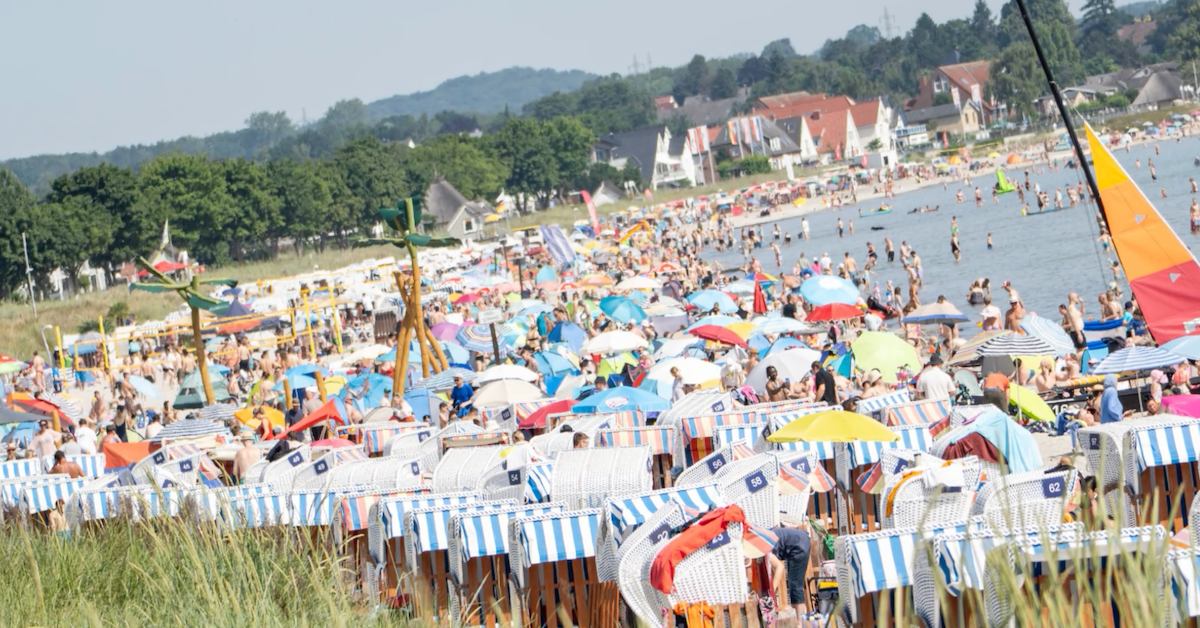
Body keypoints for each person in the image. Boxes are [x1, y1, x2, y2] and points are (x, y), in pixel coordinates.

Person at [770, 523, 812, 616]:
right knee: (793, 584)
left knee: (795, 585)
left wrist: (771, 590)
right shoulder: (761, 538)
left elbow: (779, 567)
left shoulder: (762, 549)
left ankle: (800, 622)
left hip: (799, 544)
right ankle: (798, 619)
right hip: (798, 539)